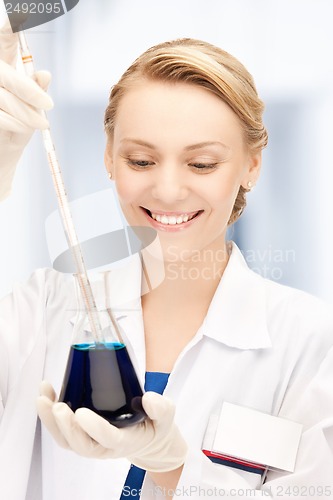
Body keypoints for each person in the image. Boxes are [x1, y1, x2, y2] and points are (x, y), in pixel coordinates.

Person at [1, 20, 333, 500]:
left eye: (201, 164)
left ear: (251, 166)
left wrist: (176, 468)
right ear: (109, 158)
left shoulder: (311, 343)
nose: (169, 190)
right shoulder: (38, 310)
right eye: (140, 161)